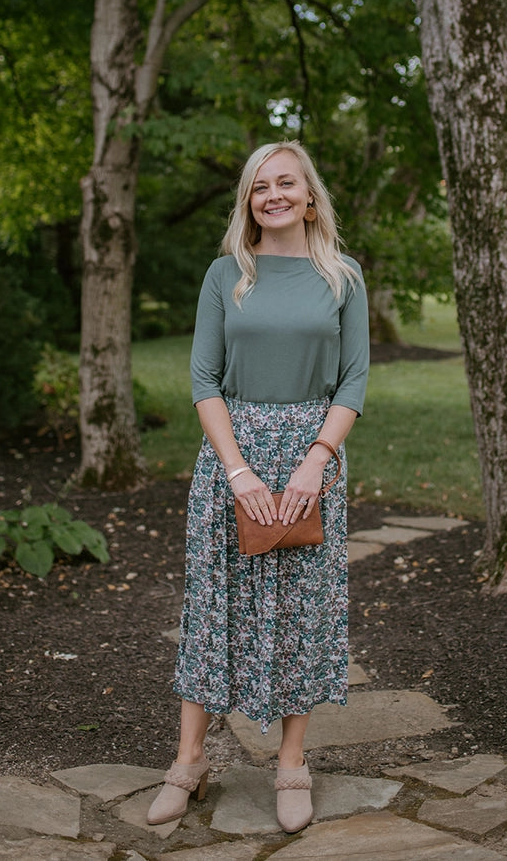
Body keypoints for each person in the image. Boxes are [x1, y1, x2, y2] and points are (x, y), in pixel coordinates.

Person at [147, 140, 369, 834]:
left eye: (285, 183)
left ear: (309, 197)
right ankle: (188, 761)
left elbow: (354, 380)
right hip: (230, 458)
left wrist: (315, 460)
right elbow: (203, 380)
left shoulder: (344, 277)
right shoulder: (226, 275)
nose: (272, 194)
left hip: (310, 458)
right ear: (249, 200)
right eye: (258, 185)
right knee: (213, 608)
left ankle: (292, 761)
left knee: (303, 609)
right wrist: (240, 472)